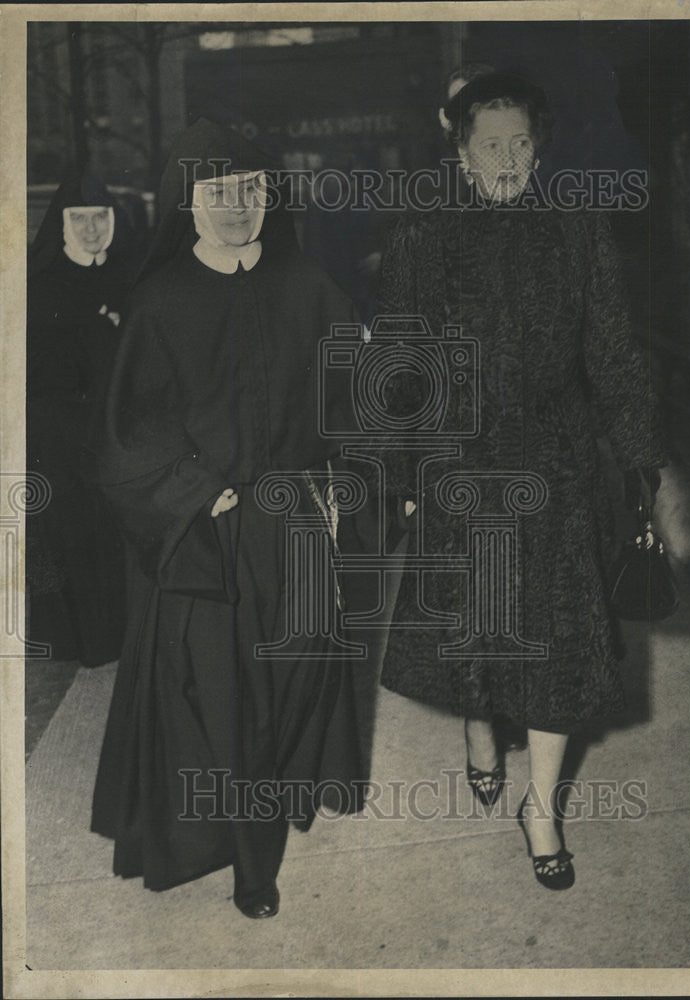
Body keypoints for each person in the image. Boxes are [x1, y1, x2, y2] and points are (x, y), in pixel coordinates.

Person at [377, 71, 665, 890]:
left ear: (539, 151)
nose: (506, 157)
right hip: (459, 461)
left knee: (560, 640)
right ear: (461, 154)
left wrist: (639, 457)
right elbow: (397, 359)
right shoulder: (424, 234)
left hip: (557, 461)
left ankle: (540, 805)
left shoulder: (576, 226)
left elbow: (610, 347)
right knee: (480, 623)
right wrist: (397, 463)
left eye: (520, 143)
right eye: (489, 144)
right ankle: (477, 724)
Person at [89, 118, 367, 918]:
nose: (237, 207)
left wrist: (342, 484)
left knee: (300, 677)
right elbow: (121, 436)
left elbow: (356, 402)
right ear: (190, 203)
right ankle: (253, 861)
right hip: (207, 531)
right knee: (226, 694)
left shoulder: (311, 287)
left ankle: (277, 802)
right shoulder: (159, 301)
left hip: (300, 521)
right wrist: (194, 486)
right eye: (218, 193)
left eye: (250, 190)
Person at [26, 170, 135, 667]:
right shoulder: (38, 285)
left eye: (100, 217)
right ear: (63, 225)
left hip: (120, 435)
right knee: (74, 537)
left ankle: (127, 638)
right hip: (60, 442)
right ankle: (85, 644)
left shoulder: (132, 277)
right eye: (80, 218)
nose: (91, 229)